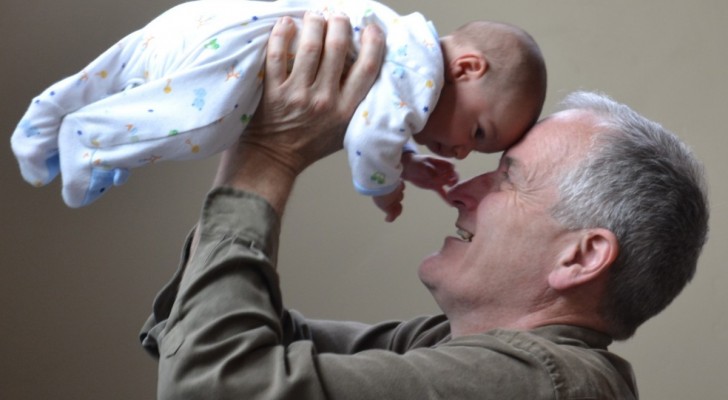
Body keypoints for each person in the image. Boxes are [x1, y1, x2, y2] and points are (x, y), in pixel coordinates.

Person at [139, 14, 708, 400]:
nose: (460, 189)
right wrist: (274, 122)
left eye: (507, 178)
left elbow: (208, 381)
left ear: (582, 257)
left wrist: (267, 153)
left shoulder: (537, 381)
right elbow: (191, 328)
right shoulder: (452, 346)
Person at [10, 0, 546, 220]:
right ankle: (90, 141)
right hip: (242, 55)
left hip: (211, 22)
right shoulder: (419, 70)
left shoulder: (405, 42)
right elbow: (366, 143)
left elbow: (378, 119)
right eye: (478, 132)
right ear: (467, 68)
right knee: (204, 127)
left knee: (122, 71)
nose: (460, 150)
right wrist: (383, 185)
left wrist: (408, 160)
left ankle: (44, 126)